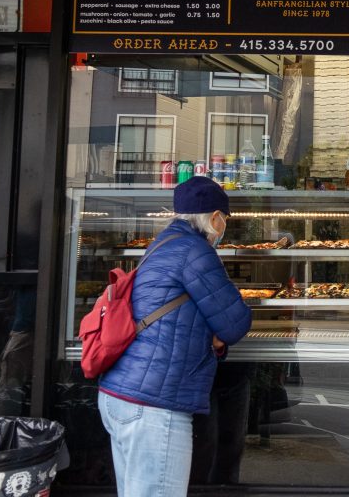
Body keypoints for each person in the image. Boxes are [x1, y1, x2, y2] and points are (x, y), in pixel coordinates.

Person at [98, 176, 252, 497]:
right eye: (224, 218)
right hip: (155, 405)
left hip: (124, 393)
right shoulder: (195, 252)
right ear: (213, 218)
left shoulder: (163, 244)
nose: (224, 226)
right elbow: (235, 322)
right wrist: (218, 336)